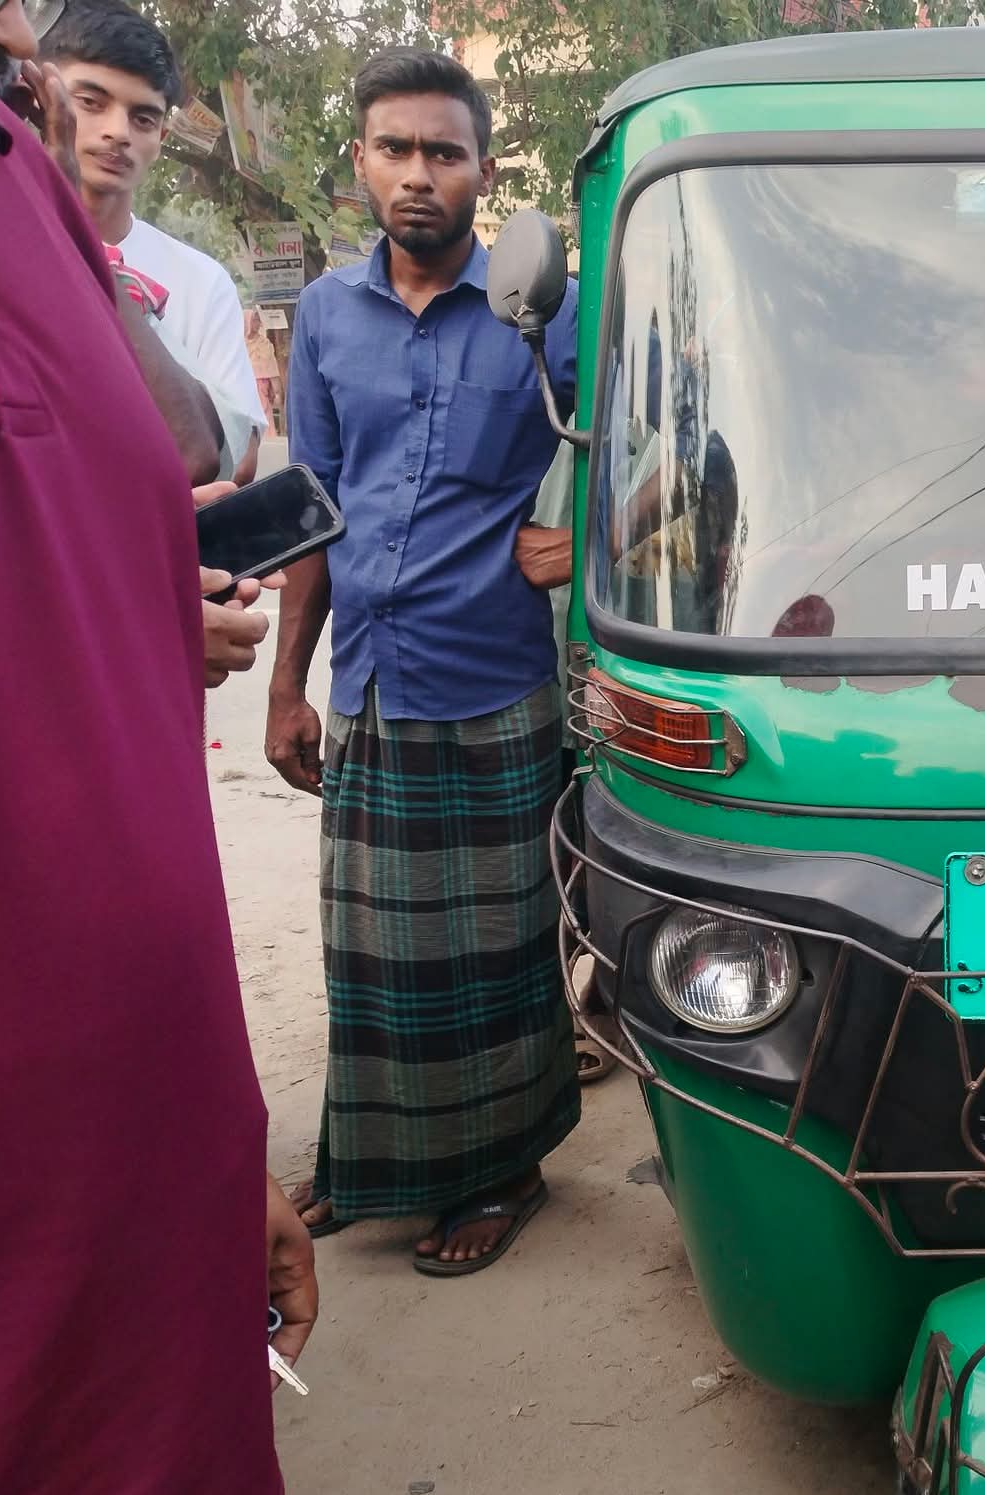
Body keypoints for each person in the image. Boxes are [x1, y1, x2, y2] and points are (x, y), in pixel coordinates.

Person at [0, 0, 314, 1495]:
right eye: (82, 95)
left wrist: (215, 1157)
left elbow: (167, 464)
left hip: (136, 1158)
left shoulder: (21, 184)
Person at [270, 47, 581, 1274]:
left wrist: (590, 541)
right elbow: (311, 508)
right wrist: (290, 686)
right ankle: (373, 1162)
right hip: (373, 683)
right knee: (372, 954)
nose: (416, 175)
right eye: (394, 149)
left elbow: (655, 445)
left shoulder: (544, 315)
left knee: (495, 951)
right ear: (360, 161)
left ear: (481, 171)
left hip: (497, 678)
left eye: (443, 154)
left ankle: (503, 1175)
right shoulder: (329, 320)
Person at [41, 0, 262, 479]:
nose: (117, 132)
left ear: (162, 134)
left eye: (142, 118)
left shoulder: (201, 281)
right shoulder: (0, 247)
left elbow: (235, 460)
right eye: (91, 102)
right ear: (38, 94)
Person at [247, 305, 281, 434]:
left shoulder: (264, 343)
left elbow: (271, 368)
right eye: (254, 320)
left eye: (258, 320)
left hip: (262, 389)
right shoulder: (238, 344)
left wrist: (277, 393)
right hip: (244, 390)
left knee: (264, 418)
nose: (258, 324)